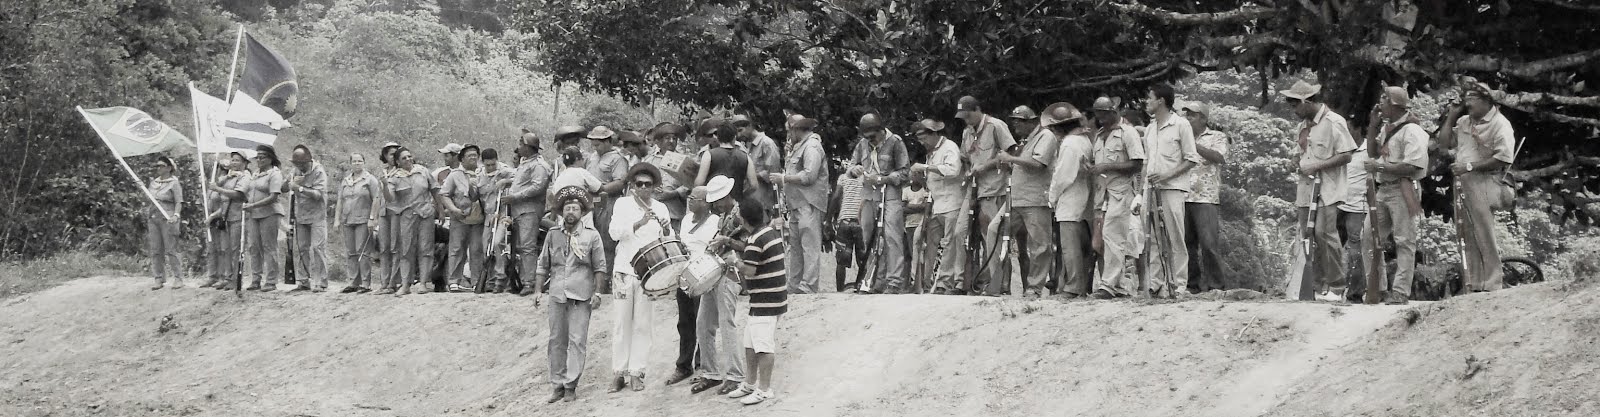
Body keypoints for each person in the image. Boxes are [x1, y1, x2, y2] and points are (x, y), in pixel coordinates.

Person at [1283, 80, 1358, 301]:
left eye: (1295, 105)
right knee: (1307, 236)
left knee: (1325, 234)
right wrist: (1296, 163)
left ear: (1307, 101)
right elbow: (1303, 155)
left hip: (1328, 188)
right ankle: (1315, 286)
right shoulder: (1302, 126)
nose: (1294, 110)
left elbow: (1347, 154)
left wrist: (1316, 166)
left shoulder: (1334, 122)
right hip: (1305, 189)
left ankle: (1336, 286)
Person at [1439, 81, 1515, 293]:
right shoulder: (1464, 121)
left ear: (1485, 100)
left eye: (1472, 98)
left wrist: (1470, 166)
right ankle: (1474, 283)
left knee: (1484, 230)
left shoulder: (1500, 123)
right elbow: (1444, 143)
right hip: (1464, 182)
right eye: (1466, 98)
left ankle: (1493, 281)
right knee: (1466, 232)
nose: (1467, 103)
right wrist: (1451, 117)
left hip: (1486, 181)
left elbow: (1503, 157)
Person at [538, 186, 607, 404]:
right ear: (561, 211)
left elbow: (600, 267)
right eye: (567, 208)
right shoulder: (552, 235)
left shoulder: (591, 236)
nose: (571, 212)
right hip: (557, 293)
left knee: (577, 340)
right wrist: (538, 290)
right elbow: (543, 264)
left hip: (581, 294)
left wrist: (598, 292)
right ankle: (557, 384)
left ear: (582, 212)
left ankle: (571, 385)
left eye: (575, 208)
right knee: (556, 340)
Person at [606, 163, 671, 393]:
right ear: (633, 185)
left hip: (648, 272)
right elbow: (614, 233)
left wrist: (665, 227)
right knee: (622, 323)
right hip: (624, 269)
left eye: (648, 184)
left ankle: (637, 372)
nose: (643, 188)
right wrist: (639, 223)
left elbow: (668, 239)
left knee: (643, 324)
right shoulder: (622, 204)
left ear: (654, 187)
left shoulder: (661, 208)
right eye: (639, 184)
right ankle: (618, 373)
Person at [1365, 86, 1430, 304]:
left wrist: (1381, 168)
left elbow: (1412, 166)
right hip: (1384, 189)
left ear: (1394, 104)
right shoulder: (1387, 128)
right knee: (1370, 237)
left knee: (1404, 240)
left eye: (1384, 99)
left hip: (1404, 189)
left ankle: (1401, 291)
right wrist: (1373, 126)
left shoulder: (1412, 131)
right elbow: (1373, 153)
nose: (1379, 103)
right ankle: (1378, 287)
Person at [1139, 84, 1201, 298]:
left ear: (1161, 101)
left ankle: (1179, 284)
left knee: (1174, 235)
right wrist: (1140, 192)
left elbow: (1191, 159)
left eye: (1150, 98)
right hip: (1151, 188)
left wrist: (1166, 176)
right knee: (1153, 236)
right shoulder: (1150, 128)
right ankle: (1156, 283)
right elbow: (1146, 162)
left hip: (1172, 188)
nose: (1147, 102)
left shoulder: (1180, 125)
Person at [688, 180, 747, 395]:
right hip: (717, 271)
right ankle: (710, 372)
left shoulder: (741, 214)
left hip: (731, 273)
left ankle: (735, 375)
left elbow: (748, 246)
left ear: (728, 195)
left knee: (726, 323)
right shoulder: (724, 216)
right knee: (703, 323)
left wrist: (726, 241)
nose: (717, 204)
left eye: (720, 200)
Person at [956, 95, 1018, 296]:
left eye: (968, 116)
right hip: (974, 189)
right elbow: (965, 158)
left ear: (977, 110)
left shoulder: (995, 126)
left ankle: (999, 283)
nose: (967, 121)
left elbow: (1010, 155)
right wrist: (969, 170)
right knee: (961, 232)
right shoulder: (967, 132)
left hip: (994, 188)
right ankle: (966, 281)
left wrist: (985, 166)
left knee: (992, 238)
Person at [725, 201, 787, 405]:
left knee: (763, 346)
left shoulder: (755, 241)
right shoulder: (767, 233)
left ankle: (764, 389)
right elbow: (754, 253)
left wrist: (734, 262)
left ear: (743, 219)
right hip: (770, 299)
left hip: (765, 301)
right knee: (750, 344)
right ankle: (750, 383)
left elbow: (750, 270)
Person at [998, 104, 1062, 298]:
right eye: (1014, 121)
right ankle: (997, 283)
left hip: (1036, 199)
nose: (1015, 125)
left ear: (1031, 122)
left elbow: (1038, 164)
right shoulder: (1025, 140)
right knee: (995, 231)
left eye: (1019, 122)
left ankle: (1034, 288)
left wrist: (1011, 158)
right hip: (1016, 198)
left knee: (1039, 245)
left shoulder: (1046, 137)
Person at [1088, 97, 1146, 299]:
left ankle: (1108, 284)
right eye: (1097, 114)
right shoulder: (1100, 135)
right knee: (1105, 239)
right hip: (1102, 192)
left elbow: (1137, 164)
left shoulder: (1128, 133)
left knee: (1114, 236)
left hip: (1121, 191)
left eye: (1103, 113)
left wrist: (1107, 166)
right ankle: (1119, 286)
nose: (1100, 118)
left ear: (1113, 112)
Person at [847, 113, 911, 293]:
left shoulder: (896, 142)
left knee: (891, 237)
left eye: (873, 137)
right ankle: (875, 280)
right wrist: (855, 169)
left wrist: (883, 179)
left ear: (882, 131)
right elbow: (850, 168)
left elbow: (905, 172)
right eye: (867, 137)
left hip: (889, 193)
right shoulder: (862, 145)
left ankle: (894, 281)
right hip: (868, 195)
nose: (870, 141)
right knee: (870, 238)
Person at [770, 116, 828, 294]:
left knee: (809, 245)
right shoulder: (798, 147)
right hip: (796, 203)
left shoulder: (811, 146)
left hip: (808, 202)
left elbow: (809, 176)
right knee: (795, 246)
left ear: (796, 129)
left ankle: (809, 284)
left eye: (789, 131)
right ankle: (794, 284)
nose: (788, 135)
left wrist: (783, 178)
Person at [909, 119, 967, 294]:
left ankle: (945, 282)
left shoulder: (949, 147)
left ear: (934, 134)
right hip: (937, 204)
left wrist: (926, 167)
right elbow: (933, 182)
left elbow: (952, 170)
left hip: (952, 202)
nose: (922, 142)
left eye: (923, 137)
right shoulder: (931, 153)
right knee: (922, 238)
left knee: (949, 242)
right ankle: (925, 281)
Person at [1179, 102, 1231, 293]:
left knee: (1208, 244)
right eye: (1187, 115)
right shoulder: (1180, 137)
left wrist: (1194, 145)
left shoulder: (1217, 136)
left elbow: (1219, 157)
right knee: (1186, 244)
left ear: (1203, 118)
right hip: (1183, 195)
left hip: (1206, 198)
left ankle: (1216, 286)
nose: (1188, 119)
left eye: (1192, 115)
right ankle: (1191, 285)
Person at [1045, 104, 1095, 298]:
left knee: (1070, 247)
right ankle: (1081, 286)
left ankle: (1073, 287)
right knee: (1082, 247)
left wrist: (1051, 196)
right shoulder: (1084, 141)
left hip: (1070, 200)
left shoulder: (1069, 144)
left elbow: (1062, 176)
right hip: (1083, 199)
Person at [504, 132, 553, 296]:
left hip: (529, 211)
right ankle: (523, 280)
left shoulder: (539, 165)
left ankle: (529, 282)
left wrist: (515, 196)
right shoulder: (525, 163)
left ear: (527, 146)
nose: (518, 147)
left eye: (520, 144)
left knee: (527, 246)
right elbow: (523, 182)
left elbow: (538, 186)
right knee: (520, 246)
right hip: (520, 211)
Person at [392, 147, 443, 295]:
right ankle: (405, 284)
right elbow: (390, 198)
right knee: (406, 249)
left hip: (425, 213)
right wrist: (384, 185)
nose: (408, 159)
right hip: (406, 215)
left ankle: (423, 283)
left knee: (425, 248)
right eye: (404, 158)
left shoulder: (423, 171)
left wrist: (439, 209)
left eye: (409, 156)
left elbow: (435, 190)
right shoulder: (395, 176)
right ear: (397, 162)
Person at [589, 126, 630, 294]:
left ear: (607, 142)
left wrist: (600, 188)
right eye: (593, 144)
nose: (595, 147)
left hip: (609, 203)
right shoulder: (592, 157)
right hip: (591, 203)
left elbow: (620, 183)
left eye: (598, 144)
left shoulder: (617, 159)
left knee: (607, 241)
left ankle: (605, 281)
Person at [286, 145, 331, 292]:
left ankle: (321, 282)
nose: (299, 167)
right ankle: (303, 280)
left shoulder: (319, 171)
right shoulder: (295, 172)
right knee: (302, 248)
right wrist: (290, 184)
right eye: (296, 164)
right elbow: (283, 188)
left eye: (301, 164)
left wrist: (299, 188)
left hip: (317, 215)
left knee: (318, 248)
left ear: (307, 161)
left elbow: (318, 194)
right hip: (301, 215)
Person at [242, 145, 286, 291]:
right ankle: (255, 279)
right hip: (254, 214)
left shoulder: (274, 174)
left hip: (269, 213)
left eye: (262, 157)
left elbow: (273, 196)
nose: (259, 160)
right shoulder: (255, 174)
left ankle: (271, 280)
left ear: (270, 158)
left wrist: (253, 205)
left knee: (269, 246)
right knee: (253, 246)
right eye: (258, 157)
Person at [204, 152, 250, 290]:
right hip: (226, 217)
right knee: (227, 249)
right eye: (233, 160)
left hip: (237, 216)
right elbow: (215, 184)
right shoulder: (230, 176)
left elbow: (238, 194)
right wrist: (225, 177)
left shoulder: (245, 177)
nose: (234, 163)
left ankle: (236, 278)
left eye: (237, 160)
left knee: (236, 249)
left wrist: (219, 189)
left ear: (244, 163)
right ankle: (228, 277)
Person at [441, 145, 484, 292]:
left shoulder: (483, 172)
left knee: (477, 249)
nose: (473, 158)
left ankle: (476, 281)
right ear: (462, 158)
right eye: (469, 155)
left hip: (479, 219)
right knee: (456, 248)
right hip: (459, 217)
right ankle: (453, 281)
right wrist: (453, 210)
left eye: (475, 155)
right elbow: (444, 194)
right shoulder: (455, 175)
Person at [337, 152, 381, 293]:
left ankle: (365, 283)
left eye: (360, 161)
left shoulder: (370, 180)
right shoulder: (346, 181)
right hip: (348, 219)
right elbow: (340, 200)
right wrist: (337, 219)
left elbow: (376, 198)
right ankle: (353, 281)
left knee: (363, 251)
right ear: (350, 163)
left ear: (364, 162)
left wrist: (372, 218)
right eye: (354, 161)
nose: (357, 163)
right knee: (351, 252)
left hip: (363, 219)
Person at [475, 148, 515, 293]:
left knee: (498, 243)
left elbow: (520, 179)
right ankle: (490, 280)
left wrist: (506, 181)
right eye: (488, 165)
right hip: (489, 215)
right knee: (487, 247)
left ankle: (501, 277)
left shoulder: (505, 170)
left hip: (503, 213)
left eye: (493, 164)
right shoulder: (479, 174)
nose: (491, 167)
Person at [145, 156, 184, 290]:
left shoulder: (174, 183)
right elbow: (150, 197)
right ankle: (158, 278)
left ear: (168, 168)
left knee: (171, 249)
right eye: (157, 166)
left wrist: (176, 215)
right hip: (153, 217)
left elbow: (179, 201)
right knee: (156, 249)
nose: (158, 168)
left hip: (168, 217)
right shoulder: (154, 183)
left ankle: (178, 278)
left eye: (161, 166)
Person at [734, 115, 783, 217]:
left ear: (749, 126)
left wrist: (751, 175)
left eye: (740, 130)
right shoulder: (746, 146)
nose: (739, 135)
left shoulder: (766, 143)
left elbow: (773, 174)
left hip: (765, 202)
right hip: (751, 201)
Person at [376, 143, 407, 295]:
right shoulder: (382, 172)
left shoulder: (402, 172)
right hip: (383, 212)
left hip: (397, 211)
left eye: (396, 154)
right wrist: (372, 216)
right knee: (383, 248)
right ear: (385, 156)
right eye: (390, 154)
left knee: (395, 248)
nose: (393, 157)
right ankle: (384, 282)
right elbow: (377, 196)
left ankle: (394, 282)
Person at [903, 172, 930, 293]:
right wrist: (918, 207)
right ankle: (911, 281)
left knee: (920, 254)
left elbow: (926, 207)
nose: (915, 177)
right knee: (910, 254)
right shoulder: (906, 190)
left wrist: (911, 206)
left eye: (917, 175)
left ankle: (920, 281)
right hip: (909, 225)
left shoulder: (924, 190)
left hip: (921, 225)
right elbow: (903, 208)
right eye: (913, 175)